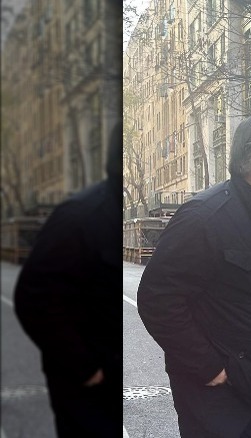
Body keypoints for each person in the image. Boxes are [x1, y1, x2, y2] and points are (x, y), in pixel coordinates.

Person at [137, 115, 251, 438]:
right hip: (215, 402)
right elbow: (156, 300)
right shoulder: (203, 218)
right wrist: (209, 367)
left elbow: (249, 294)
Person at [13, 123, 123, 437]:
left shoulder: (112, 210)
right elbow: (34, 297)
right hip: (86, 389)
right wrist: (85, 367)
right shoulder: (79, 216)